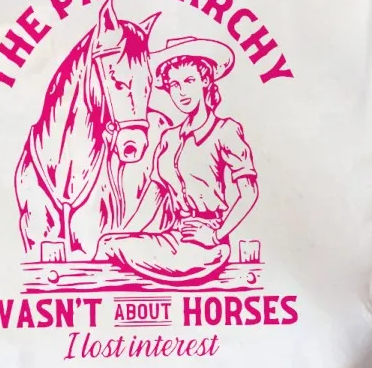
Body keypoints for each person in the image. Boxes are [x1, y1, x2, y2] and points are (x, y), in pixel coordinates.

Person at [97, 36, 259, 284]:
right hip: (173, 236)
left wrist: (216, 235)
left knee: (126, 253)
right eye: (174, 84)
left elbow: (249, 193)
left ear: (206, 80)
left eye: (189, 81)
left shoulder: (224, 131)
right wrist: (125, 234)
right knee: (108, 244)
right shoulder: (169, 138)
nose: (181, 91)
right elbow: (153, 197)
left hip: (206, 245)